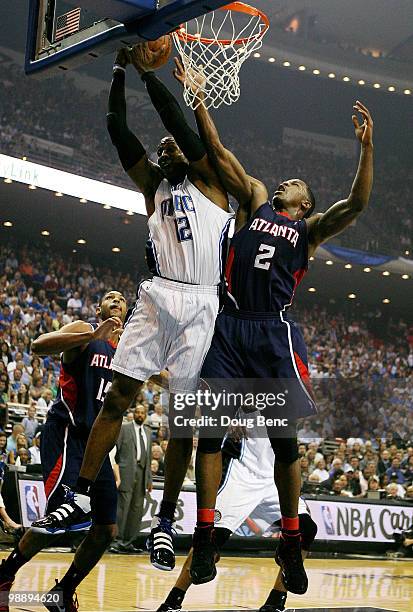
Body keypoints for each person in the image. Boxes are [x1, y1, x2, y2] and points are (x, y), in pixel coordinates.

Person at [29, 44, 234, 575]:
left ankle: (165, 523)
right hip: (159, 291)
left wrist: (150, 76)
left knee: (183, 421)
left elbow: (178, 124)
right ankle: (77, 491)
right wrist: (120, 70)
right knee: (119, 395)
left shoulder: (211, 181)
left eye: (171, 146)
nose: (164, 148)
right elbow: (119, 132)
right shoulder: (153, 186)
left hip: (202, 301)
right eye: (160, 148)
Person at [174, 60, 373, 594]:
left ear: (304, 203)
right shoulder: (256, 198)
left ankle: (289, 538)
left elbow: (356, 203)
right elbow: (216, 150)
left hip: (272, 332)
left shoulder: (307, 230)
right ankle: (206, 530)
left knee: (286, 443)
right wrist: (196, 95)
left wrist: (366, 148)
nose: (284, 180)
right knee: (208, 433)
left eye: (295, 183)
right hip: (230, 325)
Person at [0, 291, 127, 612]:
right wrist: (91, 334)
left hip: (97, 447)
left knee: (105, 529)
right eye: (109, 297)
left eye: (121, 298)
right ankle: (4, 575)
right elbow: (37, 345)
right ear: (99, 309)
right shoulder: (85, 331)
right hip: (68, 436)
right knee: (59, 516)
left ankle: (63, 590)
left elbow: (158, 378)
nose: (116, 300)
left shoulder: (129, 349)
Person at [156, 422, 317, 612]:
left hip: (274, 471)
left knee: (306, 528)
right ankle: (172, 601)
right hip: (240, 470)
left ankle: (276, 602)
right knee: (212, 540)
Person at [111, 404, 152, 553]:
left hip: (141, 475)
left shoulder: (148, 432)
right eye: (138, 412)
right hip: (125, 473)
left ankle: (128, 542)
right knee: (122, 510)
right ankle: (116, 541)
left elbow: (148, 458)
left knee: (136, 511)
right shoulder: (124, 428)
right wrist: (116, 474)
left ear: (145, 415)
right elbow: (115, 452)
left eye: (142, 413)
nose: (140, 415)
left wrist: (149, 479)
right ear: (134, 414)